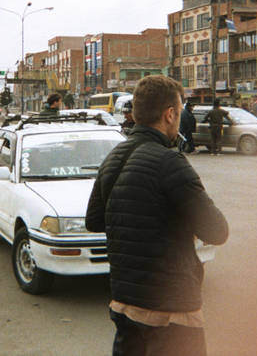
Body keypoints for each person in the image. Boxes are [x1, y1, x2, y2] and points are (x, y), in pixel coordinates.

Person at [85, 75, 228, 355]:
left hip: (125, 303)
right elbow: (217, 231)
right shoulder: (171, 162)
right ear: (170, 114)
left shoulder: (114, 157)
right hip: (171, 310)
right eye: (179, 110)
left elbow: (95, 221)